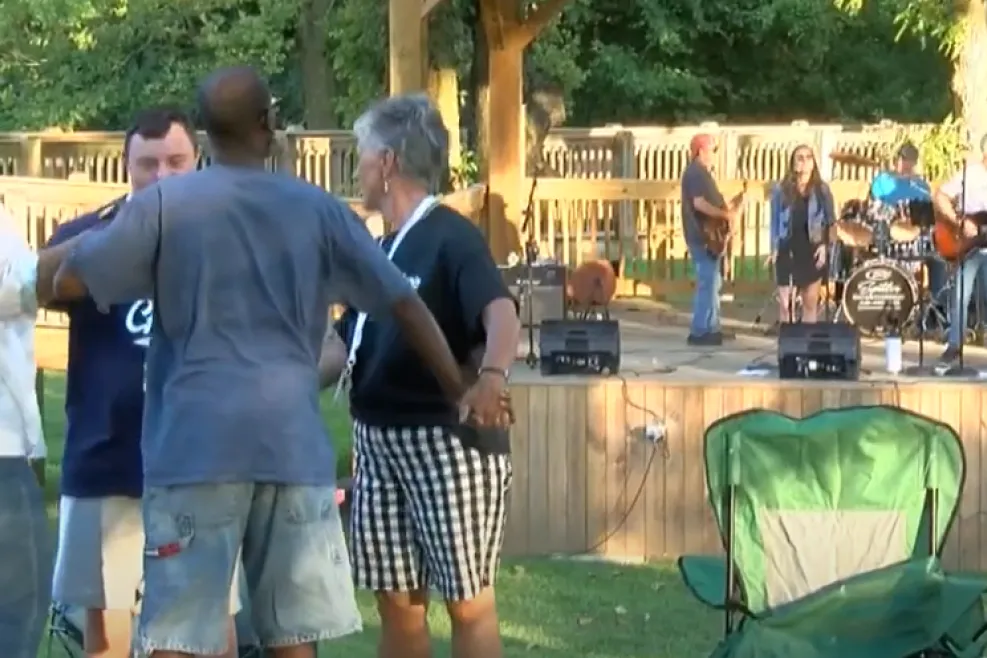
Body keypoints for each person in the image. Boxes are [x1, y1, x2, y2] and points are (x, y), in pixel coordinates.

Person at [51, 66, 503, 658]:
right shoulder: (316, 209)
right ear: (267, 124)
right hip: (291, 453)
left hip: (193, 452)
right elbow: (402, 302)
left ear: (205, 135)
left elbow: (70, 280)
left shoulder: (164, 207)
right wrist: (458, 388)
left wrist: (146, 268)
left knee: (176, 636)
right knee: (292, 639)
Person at [321, 94, 518, 658]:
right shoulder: (380, 247)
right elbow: (344, 345)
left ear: (387, 162)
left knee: (467, 602)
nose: (357, 167)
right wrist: (280, 385)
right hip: (376, 440)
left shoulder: (451, 236)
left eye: (363, 154)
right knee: (398, 601)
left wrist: (493, 377)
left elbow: (500, 311)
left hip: (445, 441)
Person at [45, 107, 240, 658]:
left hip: (201, 462)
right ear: (126, 166)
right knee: (106, 634)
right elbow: (38, 283)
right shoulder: (87, 238)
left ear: (197, 161)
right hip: (107, 459)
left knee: (209, 629)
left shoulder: (228, 242)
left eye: (176, 162)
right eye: (147, 164)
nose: (162, 176)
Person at [933, 133, 987, 364]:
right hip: (970, 244)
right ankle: (955, 344)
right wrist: (958, 222)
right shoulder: (971, 173)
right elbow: (941, 196)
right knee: (961, 294)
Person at [767, 144, 836, 323]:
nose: (805, 161)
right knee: (785, 305)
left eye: (808, 157)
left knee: (810, 303)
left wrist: (825, 247)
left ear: (813, 163)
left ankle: (806, 338)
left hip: (812, 248)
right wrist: (774, 248)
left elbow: (831, 222)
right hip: (787, 247)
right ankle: (787, 337)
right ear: (793, 163)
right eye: (800, 157)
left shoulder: (822, 190)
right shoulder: (780, 190)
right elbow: (774, 221)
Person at [680, 133, 737, 346]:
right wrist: (725, 215)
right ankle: (700, 331)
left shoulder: (701, 172)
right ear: (701, 151)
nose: (714, 154)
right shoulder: (695, 173)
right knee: (707, 282)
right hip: (701, 236)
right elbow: (699, 203)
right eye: (712, 150)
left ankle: (712, 328)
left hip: (708, 236)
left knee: (713, 281)